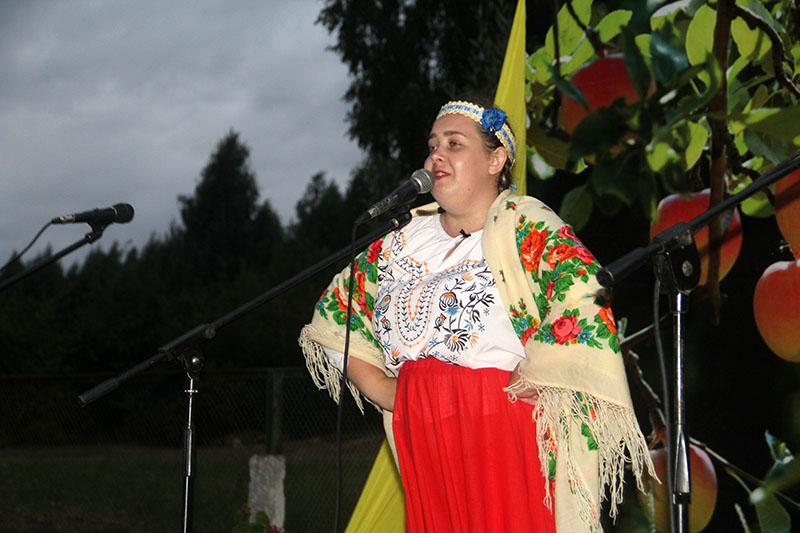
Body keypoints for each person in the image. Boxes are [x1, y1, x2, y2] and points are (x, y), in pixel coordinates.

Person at [299, 99, 653, 532]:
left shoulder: (524, 223)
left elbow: (587, 293)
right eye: (433, 146)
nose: (436, 156)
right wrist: (383, 389)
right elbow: (336, 312)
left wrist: (532, 376)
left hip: (501, 427)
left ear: (495, 160)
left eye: (454, 144)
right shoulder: (402, 242)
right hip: (424, 434)